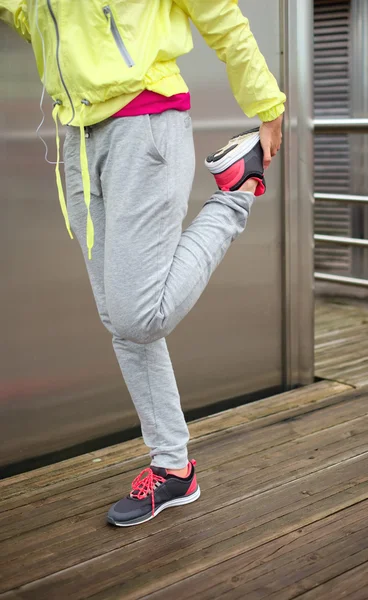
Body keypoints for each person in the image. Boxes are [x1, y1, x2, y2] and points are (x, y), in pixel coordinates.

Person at [1, 0, 286, 527]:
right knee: (121, 320)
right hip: (78, 140)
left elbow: (220, 14)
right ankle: (174, 469)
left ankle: (235, 195)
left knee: (137, 316)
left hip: (144, 124)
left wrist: (267, 104)